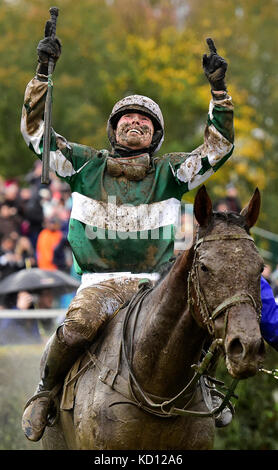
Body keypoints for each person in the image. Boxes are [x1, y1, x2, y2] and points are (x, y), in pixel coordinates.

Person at [20, 28, 235, 441]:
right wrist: (42, 74)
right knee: (78, 327)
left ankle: (202, 387)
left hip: (158, 282)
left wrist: (219, 92)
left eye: (145, 120)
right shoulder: (84, 165)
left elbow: (218, 148)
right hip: (101, 283)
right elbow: (37, 137)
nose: (135, 122)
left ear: (155, 136)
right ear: (113, 130)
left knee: (196, 324)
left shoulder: (172, 172)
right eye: (127, 118)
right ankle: (45, 392)